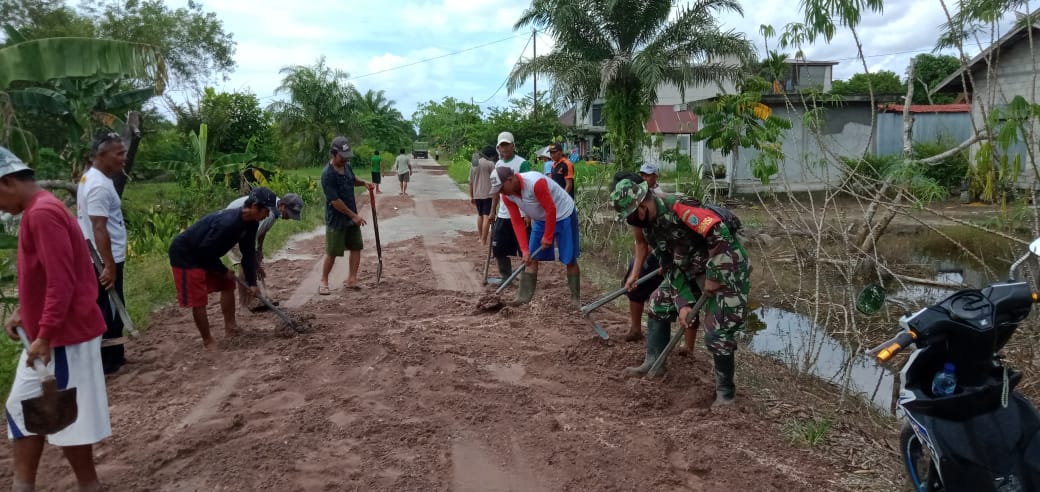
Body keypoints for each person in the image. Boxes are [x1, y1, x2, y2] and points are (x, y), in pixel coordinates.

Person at [0, 147, 111, 492]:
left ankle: (86, 485)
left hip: (63, 336)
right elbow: (47, 277)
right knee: (28, 409)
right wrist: (26, 313)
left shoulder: (42, 214)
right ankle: (26, 485)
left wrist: (45, 333)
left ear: (5, 183)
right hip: (53, 334)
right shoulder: (41, 208)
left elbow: (61, 281)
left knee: (62, 415)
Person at [611, 178, 751, 405]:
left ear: (643, 207)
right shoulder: (650, 229)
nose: (631, 221)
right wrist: (683, 302)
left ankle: (726, 394)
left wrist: (714, 276)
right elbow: (668, 265)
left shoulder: (679, 206)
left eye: (631, 215)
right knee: (659, 302)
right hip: (691, 269)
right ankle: (654, 362)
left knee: (717, 333)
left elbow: (719, 232)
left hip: (727, 268)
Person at [169, 187, 276, 348]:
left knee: (227, 284)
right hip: (187, 255)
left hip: (205, 253)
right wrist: (223, 271)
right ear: (254, 206)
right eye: (266, 210)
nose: (267, 215)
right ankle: (208, 340)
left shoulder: (252, 224)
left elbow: (247, 254)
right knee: (198, 299)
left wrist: (252, 283)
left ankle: (231, 328)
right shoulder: (228, 223)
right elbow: (204, 252)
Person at [488, 166, 581, 306]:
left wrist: (548, 236)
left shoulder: (535, 183)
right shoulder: (507, 196)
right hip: (541, 219)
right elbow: (517, 222)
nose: (501, 192)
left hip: (564, 214)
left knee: (569, 258)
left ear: (510, 179)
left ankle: (575, 299)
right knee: (530, 258)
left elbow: (551, 209)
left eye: (501, 188)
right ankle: (523, 298)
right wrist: (524, 250)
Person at [76, 132, 129, 375]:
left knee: (109, 306)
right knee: (111, 309)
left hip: (104, 257)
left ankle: (114, 356)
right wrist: (108, 265)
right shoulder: (97, 185)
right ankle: (109, 361)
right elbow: (99, 227)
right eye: (119, 153)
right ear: (102, 154)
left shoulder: (94, 178)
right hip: (105, 259)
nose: (124, 158)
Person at [224, 192, 304, 309]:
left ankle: (257, 298)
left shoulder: (274, 207)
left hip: (242, 228)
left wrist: (260, 249)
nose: (289, 217)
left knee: (252, 264)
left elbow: (263, 230)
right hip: (232, 228)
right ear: (282, 205)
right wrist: (255, 263)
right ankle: (245, 304)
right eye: (289, 213)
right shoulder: (270, 212)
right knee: (246, 266)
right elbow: (248, 242)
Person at [611, 171, 665, 343]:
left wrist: (667, 260)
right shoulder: (633, 212)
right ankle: (635, 329)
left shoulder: (658, 204)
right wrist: (635, 274)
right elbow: (641, 243)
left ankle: (688, 348)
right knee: (635, 281)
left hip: (677, 253)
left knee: (679, 299)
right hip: (656, 251)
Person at [320, 137, 375, 294]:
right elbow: (335, 201)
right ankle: (324, 281)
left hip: (351, 215)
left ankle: (352, 279)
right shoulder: (327, 175)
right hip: (336, 218)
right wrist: (353, 216)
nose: (345, 160)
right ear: (334, 153)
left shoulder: (347, 167)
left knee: (356, 246)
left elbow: (352, 180)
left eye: (347, 157)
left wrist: (363, 182)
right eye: (342, 157)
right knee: (332, 251)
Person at [488, 131, 532, 281]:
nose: (505, 148)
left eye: (507, 145)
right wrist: (492, 210)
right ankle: (506, 277)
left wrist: (528, 213)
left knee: (524, 249)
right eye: (502, 146)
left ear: (513, 146)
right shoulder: (498, 165)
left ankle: (526, 278)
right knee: (499, 248)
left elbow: (528, 190)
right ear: (498, 148)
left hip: (520, 212)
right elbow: (495, 190)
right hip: (504, 213)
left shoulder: (522, 163)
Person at [469, 145, 496, 245]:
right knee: (486, 217)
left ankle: (480, 237)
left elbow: (470, 182)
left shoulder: (474, 163)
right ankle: (484, 240)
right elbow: (495, 181)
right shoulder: (490, 164)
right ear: (491, 155)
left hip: (477, 194)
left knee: (480, 215)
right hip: (488, 194)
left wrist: (471, 196)